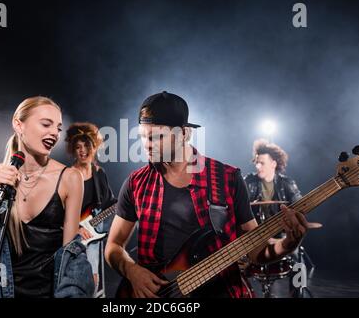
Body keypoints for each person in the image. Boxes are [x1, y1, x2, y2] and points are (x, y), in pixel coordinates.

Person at [105, 91, 321, 298]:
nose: (146, 145)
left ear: (185, 133)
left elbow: (256, 252)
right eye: (143, 137)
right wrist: (131, 270)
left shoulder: (227, 178)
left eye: (157, 137)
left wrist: (287, 245)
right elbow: (114, 246)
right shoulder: (136, 183)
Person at [0, 96, 94, 298]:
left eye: (58, 128)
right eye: (46, 124)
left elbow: (71, 255)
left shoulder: (70, 178)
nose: (54, 133)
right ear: (19, 125)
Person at [244, 139, 305, 297]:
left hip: (280, 235)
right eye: (256, 163)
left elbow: (301, 207)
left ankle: (297, 294)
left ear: (273, 163)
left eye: (262, 163)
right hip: (255, 235)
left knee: (297, 255)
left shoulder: (287, 183)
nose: (257, 166)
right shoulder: (248, 181)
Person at [65, 122, 116, 295]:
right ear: (73, 150)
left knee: (94, 284)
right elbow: (58, 213)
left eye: (86, 145)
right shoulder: (67, 175)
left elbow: (110, 203)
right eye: (78, 147)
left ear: (94, 148)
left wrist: (127, 203)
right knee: (83, 284)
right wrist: (76, 228)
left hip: (94, 235)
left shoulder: (99, 173)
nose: (82, 150)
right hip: (72, 236)